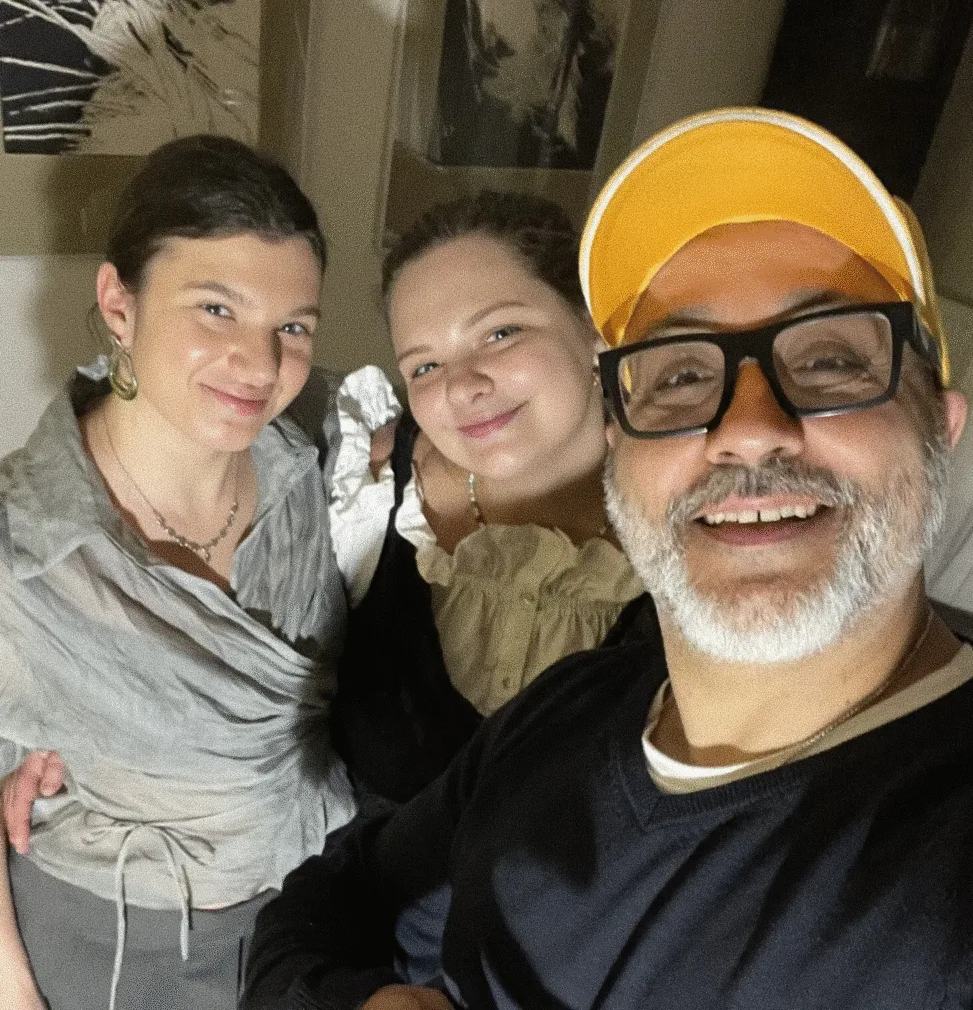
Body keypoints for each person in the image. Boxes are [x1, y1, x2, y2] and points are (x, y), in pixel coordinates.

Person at [241, 107, 973, 1010]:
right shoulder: (567, 711)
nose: (746, 429)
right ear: (622, 442)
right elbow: (322, 911)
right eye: (680, 375)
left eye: (826, 361)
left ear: (940, 428)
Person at [0, 134, 354, 1010]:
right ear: (118, 304)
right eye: (216, 309)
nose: (261, 364)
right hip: (119, 947)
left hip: (314, 917)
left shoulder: (323, 451)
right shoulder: (17, 543)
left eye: (292, 327)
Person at [327, 189, 642, 802]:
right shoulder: (369, 493)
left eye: (500, 333)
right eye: (424, 367)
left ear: (594, 329)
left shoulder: (703, 506)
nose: (461, 388)